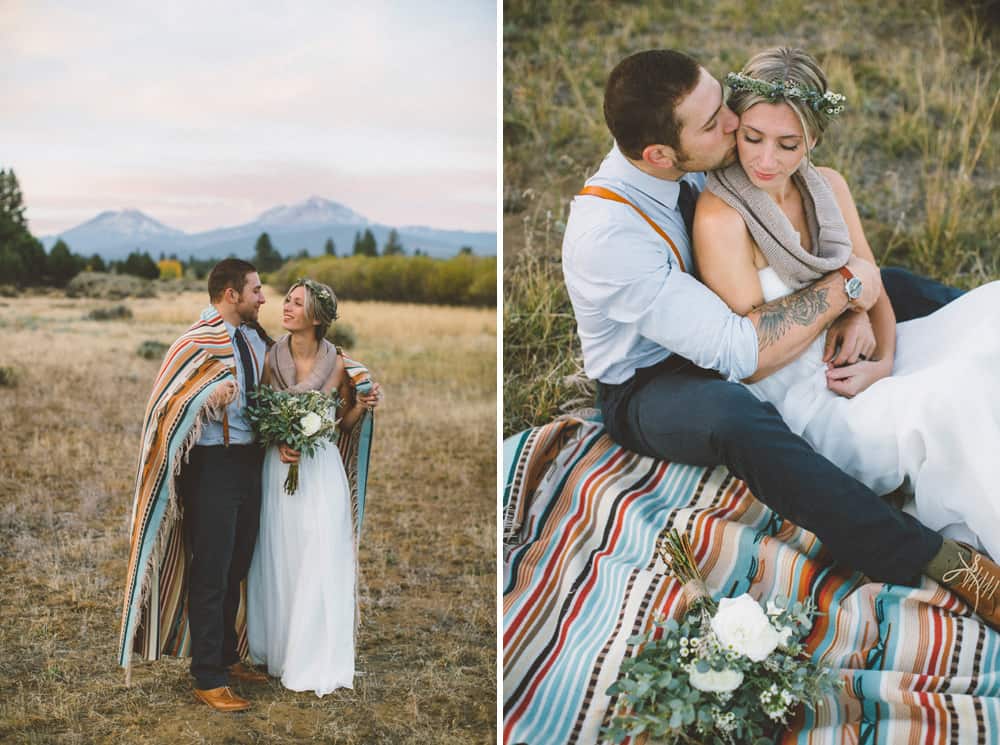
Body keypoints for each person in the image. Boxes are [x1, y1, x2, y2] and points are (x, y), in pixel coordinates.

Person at [560, 49, 1000, 629]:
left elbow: (791, 161)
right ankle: (933, 558)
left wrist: (861, 305)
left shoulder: (686, 149)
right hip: (652, 379)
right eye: (716, 120)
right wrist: (846, 291)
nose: (733, 122)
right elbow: (740, 352)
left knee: (903, 288)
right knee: (733, 418)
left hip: (740, 317)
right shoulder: (608, 238)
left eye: (722, 101)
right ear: (661, 156)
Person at [694, 46, 1000, 587]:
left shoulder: (826, 185)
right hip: (808, 398)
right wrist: (845, 296)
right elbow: (754, 356)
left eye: (788, 144)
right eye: (752, 137)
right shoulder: (723, 217)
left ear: (813, 139)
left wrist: (880, 356)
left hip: (863, 360)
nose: (766, 159)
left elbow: (871, 279)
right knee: (956, 392)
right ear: (735, 126)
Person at [118, 258, 273, 713]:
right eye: (256, 290)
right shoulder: (195, 341)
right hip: (211, 464)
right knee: (212, 565)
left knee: (238, 562)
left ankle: (227, 655)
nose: (263, 298)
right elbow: (166, 403)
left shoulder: (254, 339)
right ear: (231, 294)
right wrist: (207, 397)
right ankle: (207, 676)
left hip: (250, 459)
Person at [247, 278, 381, 695]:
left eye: (296, 303)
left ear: (317, 316)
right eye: (285, 300)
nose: (285, 307)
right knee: (283, 554)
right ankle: (284, 651)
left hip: (322, 469)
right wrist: (279, 440)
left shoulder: (338, 364)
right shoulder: (271, 357)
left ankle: (316, 657)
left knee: (320, 554)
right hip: (279, 467)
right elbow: (261, 413)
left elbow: (341, 426)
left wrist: (360, 404)